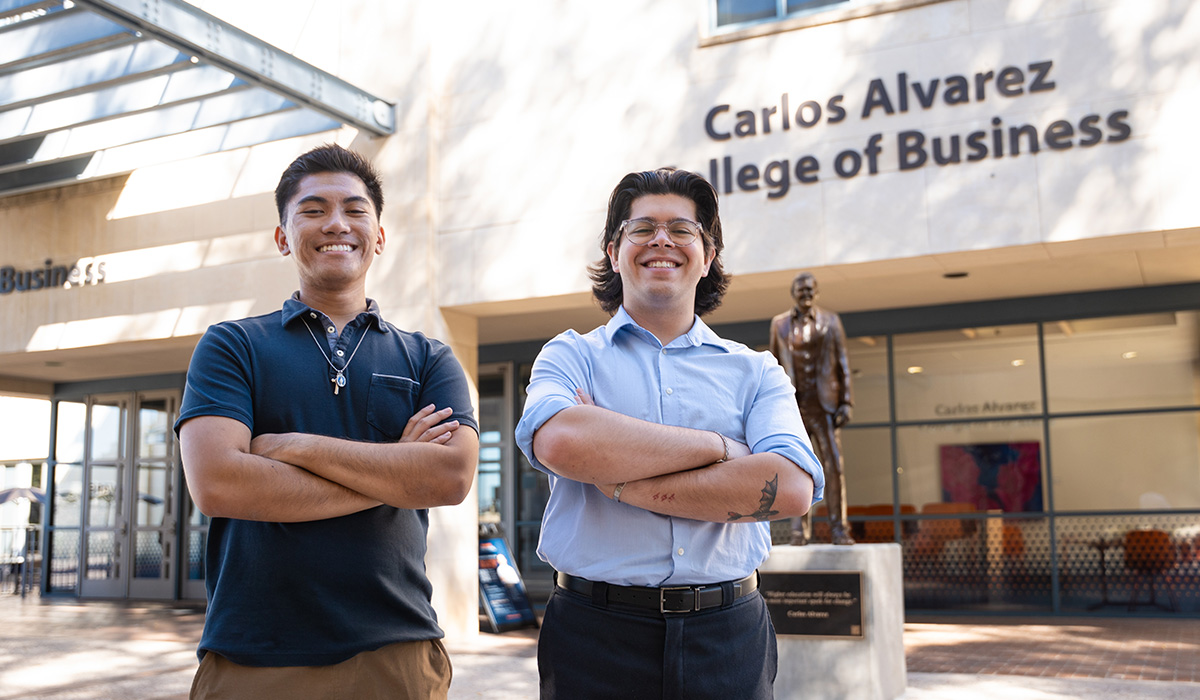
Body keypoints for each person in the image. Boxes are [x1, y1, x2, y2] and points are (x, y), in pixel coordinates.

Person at [175, 144, 479, 699]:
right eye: (312, 210)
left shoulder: (429, 358)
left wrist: (295, 446)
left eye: (355, 210)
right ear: (283, 236)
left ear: (379, 235)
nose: (336, 223)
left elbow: (449, 479)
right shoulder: (233, 346)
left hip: (398, 651)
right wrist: (396, 472)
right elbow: (218, 483)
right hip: (255, 655)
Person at [515, 167, 824, 700]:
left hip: (728, 636)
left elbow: (791, 488)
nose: (662, 239)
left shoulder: (757, 371)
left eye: (683, 229)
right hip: (594, 635)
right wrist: (723, 450)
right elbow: (562, 443)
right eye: (643, 228)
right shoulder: (570, 355)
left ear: (708, 256)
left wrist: (617, 479)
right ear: (615, 252)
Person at [769, 272, 855, 545]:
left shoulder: (831, 321)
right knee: (797, 468)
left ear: (816, 292)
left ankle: (839, 528)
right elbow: (772, 366)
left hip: (824, 405)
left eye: (809, 289)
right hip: (794, 406)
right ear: (793, 293)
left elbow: (842, 363)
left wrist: (846, 401)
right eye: (800, 289)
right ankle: (799, 531)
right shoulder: (779, 324)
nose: (805, 293)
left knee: (834, 467)